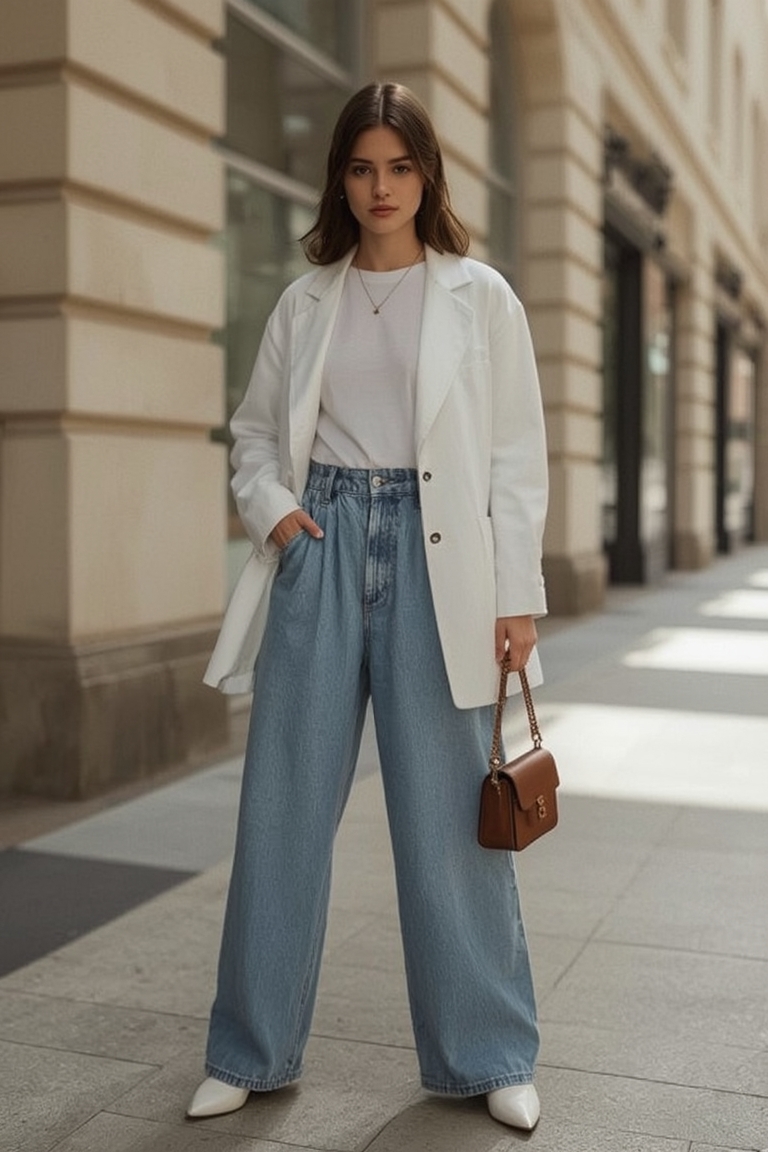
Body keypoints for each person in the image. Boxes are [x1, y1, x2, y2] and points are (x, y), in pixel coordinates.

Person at [187, 81, 549, 1133]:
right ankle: (250, 1051)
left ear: (427, 173)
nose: (380, 187)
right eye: (360, 167)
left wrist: (518, 596)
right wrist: (278, 515)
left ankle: (488, 1052)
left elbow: (517, 456)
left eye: (398, 166)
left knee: (448, 818)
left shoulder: (482, 296)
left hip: (446, 560)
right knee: (283, 808)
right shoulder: (307, 300)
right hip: (325, 544)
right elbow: (254, 434)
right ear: (338, 178)